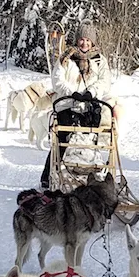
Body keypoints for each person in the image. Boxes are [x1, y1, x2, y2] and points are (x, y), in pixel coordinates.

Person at [40, 20, 112, 189]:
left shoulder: (100, 61)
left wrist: (90, 93)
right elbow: (57, 79)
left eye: (88, 40)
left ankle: (90, 174)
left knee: (89, 139)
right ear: (77, 39)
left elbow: (104, 82)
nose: (84, 43)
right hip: (67, 103)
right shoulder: (66, 58)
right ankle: (49, 174)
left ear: (92, 41)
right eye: (82, 39)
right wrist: (72, 93)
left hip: (90, 104)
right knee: (63, 139)